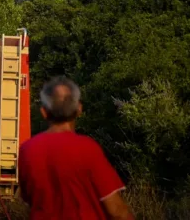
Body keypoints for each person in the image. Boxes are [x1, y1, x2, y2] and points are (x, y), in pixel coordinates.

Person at [18, 77, 134, 220]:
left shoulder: (27, 150)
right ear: (79, 109)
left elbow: (30, 199)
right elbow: (116, 210)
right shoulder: (88, 148)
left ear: (44, 112)